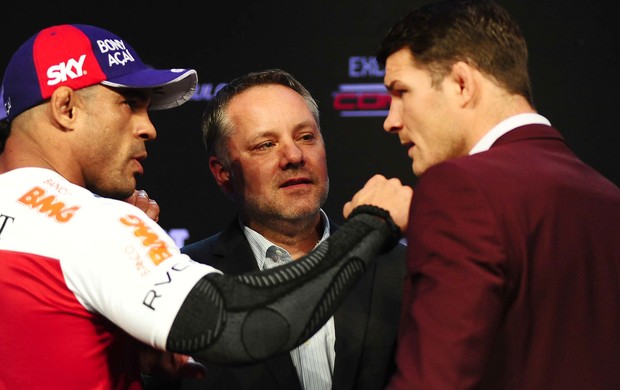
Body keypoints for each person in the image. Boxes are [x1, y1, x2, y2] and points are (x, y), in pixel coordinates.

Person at [0, 24, 413, 389]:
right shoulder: (93, 226)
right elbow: (246, 327)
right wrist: (371, 226)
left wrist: (125, 355)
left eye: (306, 137)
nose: (149, 127)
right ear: (66, 108)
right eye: (130, 103)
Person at [371, 0, 620, 389]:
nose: (391, 120)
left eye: (401, 91)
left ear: (461, 84)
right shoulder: (608, 197)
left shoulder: (458, 188)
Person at [163, 69, 406, 390]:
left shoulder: (398, 267)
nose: (294, 156)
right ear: (222, 173)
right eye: (265, 144)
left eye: (306, 137)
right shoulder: (187, 278)